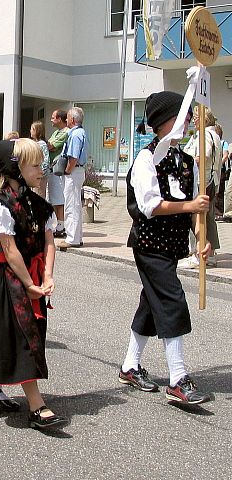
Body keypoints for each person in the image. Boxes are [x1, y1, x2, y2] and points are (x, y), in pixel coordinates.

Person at [119, 91, 212, 405]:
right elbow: (152, 206)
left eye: (188, 115)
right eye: (181, 115)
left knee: (152, 303)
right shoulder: (146, 159)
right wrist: (190, 206)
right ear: (162, 123)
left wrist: (202, 238)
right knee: (171, 299)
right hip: (149, 244)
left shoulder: (187, 162)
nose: (187, 121)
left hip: (172, 246)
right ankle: (178, 378)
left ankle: (130, 365)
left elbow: (197, 211)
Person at [0, 138, 67, 429]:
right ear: (15, 168)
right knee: (23, 338)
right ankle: (37, 406)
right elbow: (8, 250)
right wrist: (29, 284)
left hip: (32, 277)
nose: (41, 169)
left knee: (20, 336)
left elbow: (49, 242)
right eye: (35, 165)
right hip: (9, 280)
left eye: (41, 163)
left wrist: (46, 275)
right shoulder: (0, 207)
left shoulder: (40, 205)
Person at [180, 106, 221, 268]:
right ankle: (210, 253)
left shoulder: (204, 135)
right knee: (208, 218)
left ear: (203, 118)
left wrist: (185, 162)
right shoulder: (214, 134)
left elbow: (204, 156)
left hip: (201, 181)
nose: (194, 121)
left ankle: (200, 253)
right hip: (211, 181)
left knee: (196, 217)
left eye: (196, 118)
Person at [57, 107, 87, 249]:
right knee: (75, 204)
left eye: (68, 118)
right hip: (77, 172)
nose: (66, 120)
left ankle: (72, 238)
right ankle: (77, 237)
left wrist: (67, 171)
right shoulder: (80, 132)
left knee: (71, 205)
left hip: (73, 172)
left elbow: (73, 157)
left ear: (73, 120)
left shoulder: (75, 135)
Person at [47, 110, 69, 238]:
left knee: (58, 198)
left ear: (60, 119)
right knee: (52, 198)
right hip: (51, 169)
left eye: (53, 117)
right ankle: (58, 224)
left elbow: (51, 147)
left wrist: (44, 144)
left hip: (57, 170)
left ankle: (61, 225)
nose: (51, 120)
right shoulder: (56, 132)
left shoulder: (65, 132)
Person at [30, 121, 50, 198]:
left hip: (40, 176)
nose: (30, 131)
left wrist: (40, 174)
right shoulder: (35, 143)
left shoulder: (42, 144)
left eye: (32, 129)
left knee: (39, 196)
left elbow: (46, 160)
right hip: (35, 175)